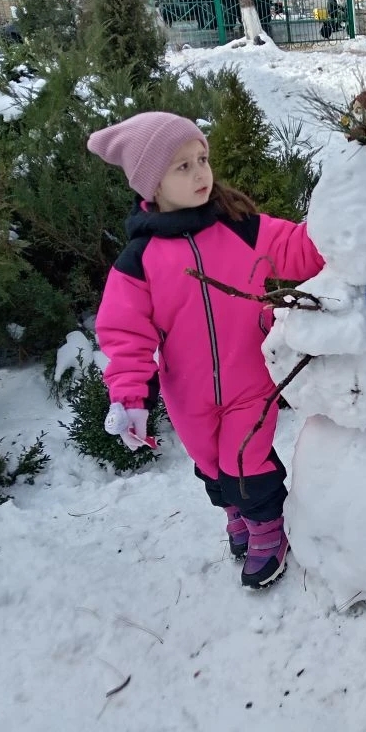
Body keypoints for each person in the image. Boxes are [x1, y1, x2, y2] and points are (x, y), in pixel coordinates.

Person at [88, 112, 324, 590]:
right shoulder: (139, 261)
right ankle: (237, 512)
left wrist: (341, 219)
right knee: (211, 463)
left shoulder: (241, 228)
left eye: (202, 159)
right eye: (183, 166)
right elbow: (126, 335)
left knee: (245, 458)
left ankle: (267, 527)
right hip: (188, 393)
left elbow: (301, 249)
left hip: (249, 379)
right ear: (153, 183)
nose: (200, 173)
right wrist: (129, 398)